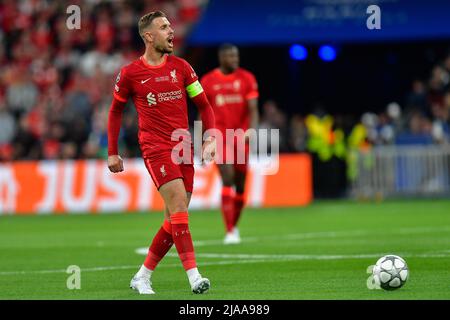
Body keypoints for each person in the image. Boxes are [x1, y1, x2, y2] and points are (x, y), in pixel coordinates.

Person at [107, 11, 216, 295]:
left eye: (170, 25)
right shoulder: (130, 74)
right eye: (164, 27)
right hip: (155, 148)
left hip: (183, 147)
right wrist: (112, 152)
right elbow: (115, 111)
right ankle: (194, 277)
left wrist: (210, 138)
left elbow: (204, 105)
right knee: (179, 206)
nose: (171, 31)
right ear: (148, 36)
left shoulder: (182, 68)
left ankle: (142, 276)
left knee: (173, 220)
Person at [201, 44, 259, 244]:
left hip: (240, 137)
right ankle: (230, 230)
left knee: (241, 186)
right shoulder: (208, 81)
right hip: (219, 137)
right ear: (221, 57)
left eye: (236, 55)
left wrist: (252, 129)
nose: (234, 58)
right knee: (227, 178)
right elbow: (204, 112)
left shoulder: (247, 78)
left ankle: (234, 225)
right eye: (230, 56)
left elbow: (253, 110)